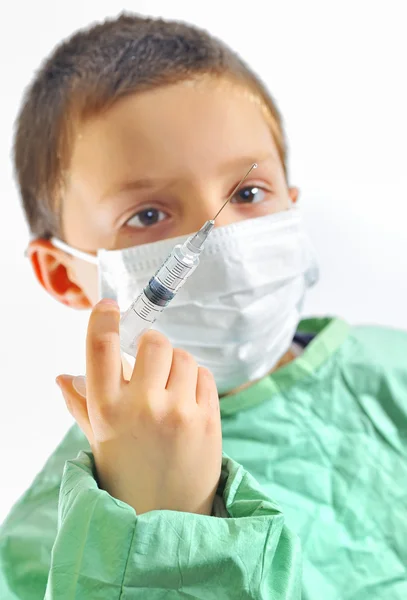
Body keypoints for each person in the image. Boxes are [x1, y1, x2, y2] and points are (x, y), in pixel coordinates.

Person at [0, 12, 406, 600]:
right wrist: (157, 530)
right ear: (65, 275)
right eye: (147, 215)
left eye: (247, 192)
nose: (223, 245)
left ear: (291, 209)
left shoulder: (390, 374)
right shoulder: (52, 542)